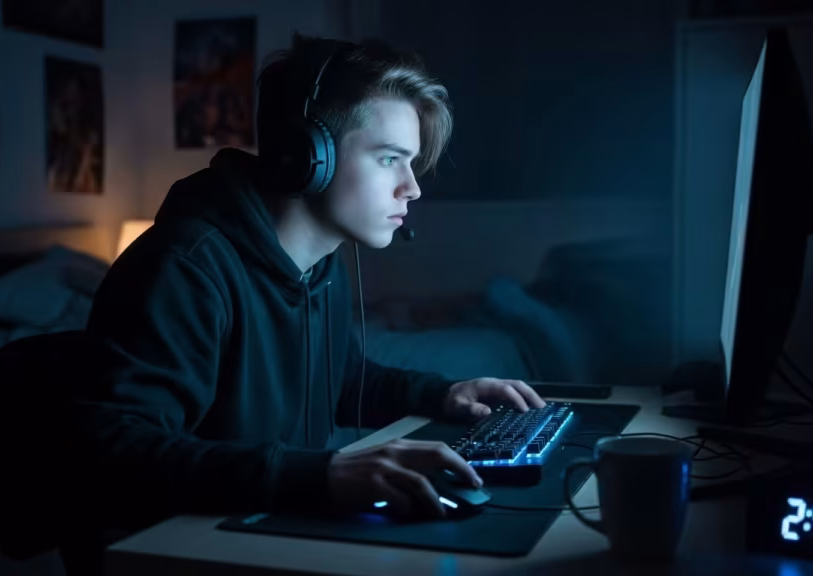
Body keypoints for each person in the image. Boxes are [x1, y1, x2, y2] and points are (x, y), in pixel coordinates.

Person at [64, 34, 546, 532]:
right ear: (308, 156)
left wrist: (444, 395)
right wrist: (321, 474)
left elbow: (342, 380)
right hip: (184, 546)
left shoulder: (320, 266)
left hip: (274, 523)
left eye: (411, 162)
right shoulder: (184, 268)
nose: (413, 187)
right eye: (389, 159)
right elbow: (111, 446)